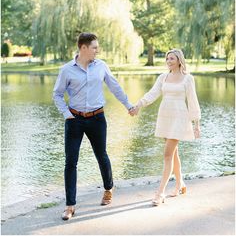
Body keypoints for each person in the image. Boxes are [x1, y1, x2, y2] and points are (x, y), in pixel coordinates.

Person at [53, 32, 134, 220]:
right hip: (74, 120)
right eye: (94, 47)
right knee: (70, 162)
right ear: (83, 48)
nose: (97, 50)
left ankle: (108, 188)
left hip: (97, 118)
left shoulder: (101, 66)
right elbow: (57, 94)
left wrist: (128, 105)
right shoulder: (67, 70)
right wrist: (67, 115)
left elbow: (115, 87)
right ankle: (70, 205)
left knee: (101, 155)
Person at [129, 49, 201, 206]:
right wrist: (139, 105)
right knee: (173, 153)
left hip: (179, 118)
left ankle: (160, 192)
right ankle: (180, 183)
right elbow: (152, 93)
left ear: (179, 60)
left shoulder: (188, 79)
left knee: (167, 155)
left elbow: (193, 101)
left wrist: (196, 124)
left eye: (172, 58)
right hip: (165, 117)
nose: (169, 61)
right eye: (167, 58)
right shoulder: (163, 77)